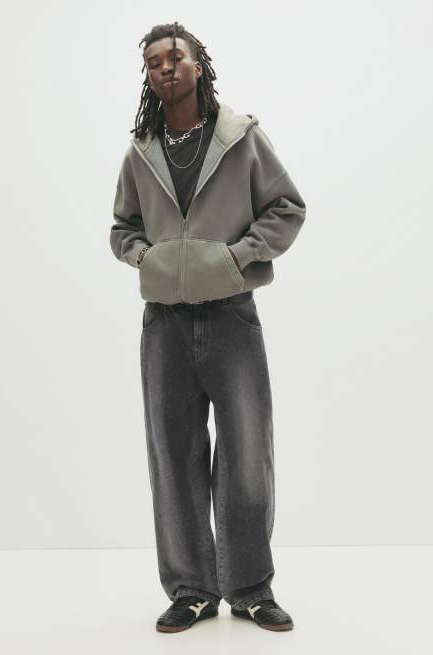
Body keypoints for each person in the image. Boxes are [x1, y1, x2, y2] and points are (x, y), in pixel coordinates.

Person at [110, 21, 306, 633]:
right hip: (164, 325)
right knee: (173, 457)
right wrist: (146, 258)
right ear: (148, 76)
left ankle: (249, 588)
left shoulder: (240, 138)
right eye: (153, 62)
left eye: (175, 56)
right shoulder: (141, 149)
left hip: (231, 317)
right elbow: (122, 228)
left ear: (200, 65)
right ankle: (192, 590)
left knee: (246, 456)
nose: (165, 67)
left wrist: (238, 257)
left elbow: (287, 207)